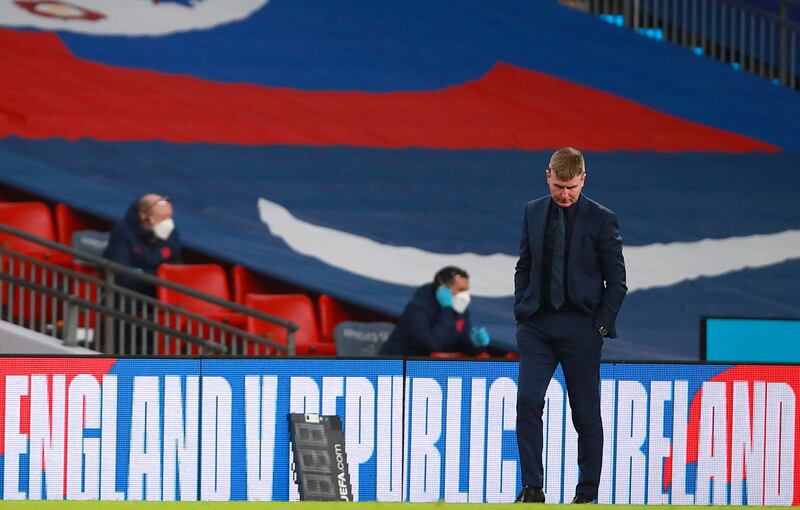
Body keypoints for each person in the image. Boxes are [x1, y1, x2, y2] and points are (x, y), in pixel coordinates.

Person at [513, 148, 626, 504]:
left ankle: (587, 494)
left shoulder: (602, 219)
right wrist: (522, 308)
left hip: (581, 328)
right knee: (528, 402)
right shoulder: (532, 211)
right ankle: (532, 488)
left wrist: (600, 327)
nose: (564, 194)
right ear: (548, 176)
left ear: (583, 180)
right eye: (559, 186)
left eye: (571, 187)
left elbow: (617, 282)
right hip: (538, 327)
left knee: (585, 413)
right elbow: (524, 265)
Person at [379, 266, 491, 356]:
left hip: (432, 371)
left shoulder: (460, 310)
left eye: (466, 290)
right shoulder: (417, 309)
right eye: (461, 290)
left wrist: (475, 345)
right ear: (443, 290)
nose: (465, 296)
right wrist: (447, 310)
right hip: (397, 368)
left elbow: (458, 344)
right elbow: (432, 345)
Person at [104, 194, 182, 296]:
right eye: (162, 218)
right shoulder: (122, 233)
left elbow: (175, 265)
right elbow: (122, 275)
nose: (168, 223)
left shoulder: (170, 233)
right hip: (128, 293)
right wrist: (157, 276)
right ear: (144, 218)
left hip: (157, 289)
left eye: (169, 217)